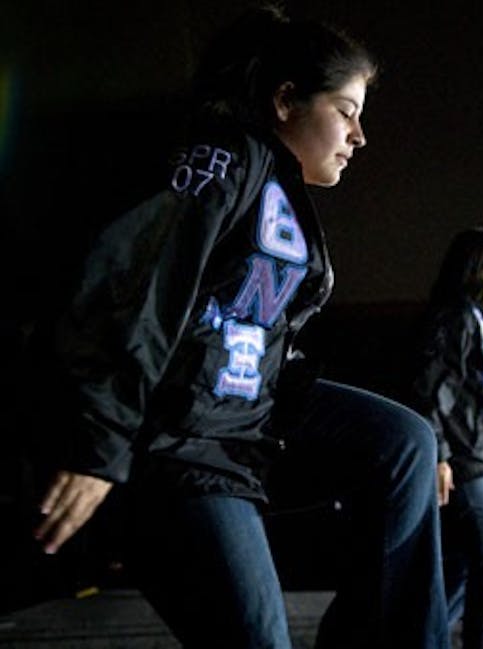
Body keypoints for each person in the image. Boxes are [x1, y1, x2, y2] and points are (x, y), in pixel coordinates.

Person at [31, 6, 448, 648]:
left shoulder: (280, 191)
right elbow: (139, 291)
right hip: (182, 445)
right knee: (257, 637)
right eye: (346, 110)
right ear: (285, 100)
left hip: (243, 422)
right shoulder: (222, 156)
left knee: (405, 442)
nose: (360, 135)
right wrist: (99, 443)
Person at [412, 227, 483, 649]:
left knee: (463, 568)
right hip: (467, 458)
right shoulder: (454, 318)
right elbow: (430, 385)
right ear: (480, 268)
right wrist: (440, 454)